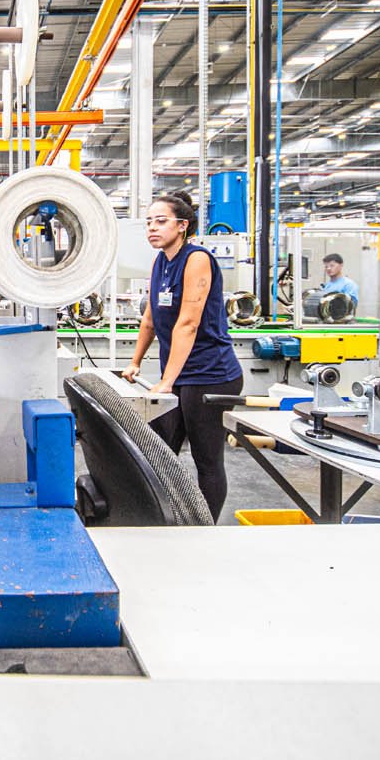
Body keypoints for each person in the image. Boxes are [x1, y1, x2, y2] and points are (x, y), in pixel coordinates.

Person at [121, 193, 243, 521]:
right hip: (178, 377)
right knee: (159, 453)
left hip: (211, 375)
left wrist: (167, 382)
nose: (152, 228)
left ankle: (204, 529)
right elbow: (150, 319)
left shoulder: (197, 259)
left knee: (207, 460)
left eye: (161, 221)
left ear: (182, 225)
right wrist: (134, 362)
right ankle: (163, 519)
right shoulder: (160, 262)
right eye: (149, 222)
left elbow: (188, 323)